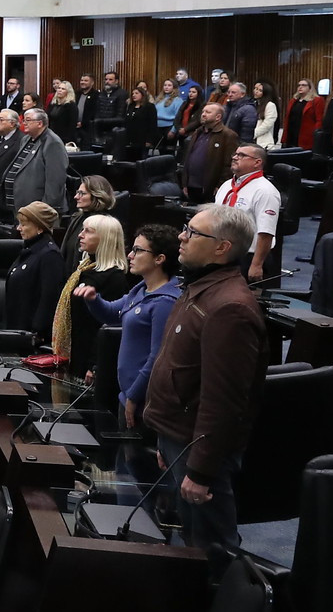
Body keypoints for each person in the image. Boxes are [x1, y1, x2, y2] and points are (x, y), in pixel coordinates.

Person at [143, 206, 264, 553]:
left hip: (198, 449)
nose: (182, 236)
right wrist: (166, 438)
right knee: (192, 538)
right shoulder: (200, 287)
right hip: (180, 437)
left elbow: (223, 401)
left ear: (222, 248)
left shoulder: (230, 308)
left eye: (193, 233)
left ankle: (231, 604)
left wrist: (201, 469)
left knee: (211, 547)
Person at [77, 224, 183, 429]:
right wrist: (93, 299)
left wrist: (134, 397)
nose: (130, 255)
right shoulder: (140, 290)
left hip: (144, 401)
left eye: (138, 250)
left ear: (159, 259)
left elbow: (157, 357)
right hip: (126, 395)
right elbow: (110, 313)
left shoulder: (165, 302)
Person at [51, 214, 131, 373]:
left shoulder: (114, 278)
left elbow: (107, 326)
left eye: (88, 231)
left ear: (105, 238)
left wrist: (94, 365)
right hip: (74, 352)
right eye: (82, 230)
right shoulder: (84, 269)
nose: (81, 235)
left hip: (89, 360)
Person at [213, 143, 283, 281]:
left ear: (257, 162)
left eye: (242, 155)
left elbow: (266, 232)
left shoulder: (265, 191)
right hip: (222, 253)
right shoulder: (226, 185)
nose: (235, 157)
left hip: (248, 257)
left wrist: (256, 265)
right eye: (235, 154)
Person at [5, 202, 66, 344]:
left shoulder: (50, 255)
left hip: (31, 339)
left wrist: (35, 332)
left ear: (39, 227)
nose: (19, 228)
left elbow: (49, 299)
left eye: (24, 225)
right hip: (16, 331)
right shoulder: (29, 250)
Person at [4, 107, 69, 215]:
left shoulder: (53, 143)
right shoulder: (26, 139)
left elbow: (55, 180)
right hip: (21, 206)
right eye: (24, 120)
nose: (24, 123)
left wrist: (45, 209)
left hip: (38, 209)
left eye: (28, 120)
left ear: (39, 123)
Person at [176, 101, 239, 203]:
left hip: (211, 189)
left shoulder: (228, 135)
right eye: (203, 111)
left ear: (218, 117)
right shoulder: (198, 132)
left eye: (208, 112)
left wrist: (221, 185)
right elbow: (188, 158)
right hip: (191, 186)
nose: (203, 114)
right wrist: (184, 183)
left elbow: (230, 164)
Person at [60, 175, 115, 268]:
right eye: (77, 192)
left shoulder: (103, 224)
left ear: (97, 195)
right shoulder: (77, 218)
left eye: (82, 193)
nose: (76, 197)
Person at [282, 79, 325, 149]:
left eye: (303, 85)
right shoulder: (293, 100)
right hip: (291, 134)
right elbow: (287, 118)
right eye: (299, 85)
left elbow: (319, 119)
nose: (300, 87)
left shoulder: (317, 100)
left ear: (310, 88)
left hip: (307, 136)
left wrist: (316, 135)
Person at [122, 83, 158, 158]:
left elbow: (152, 124)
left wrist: (149, 140)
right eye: (132, 93)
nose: (133, 95)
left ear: (142, 95)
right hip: (130, 139)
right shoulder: (131, 106)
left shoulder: (149, 107)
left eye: (136, 93)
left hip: (143, 139)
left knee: (141, 161)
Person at [220, 81, 258, 146]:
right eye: (228, 92)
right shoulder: (227, 107)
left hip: (238, 145)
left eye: (233, 92)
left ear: (242, 94)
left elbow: (247, 133)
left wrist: (242, 147)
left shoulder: (248, 109)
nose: (230, 95)